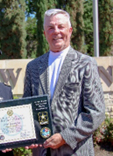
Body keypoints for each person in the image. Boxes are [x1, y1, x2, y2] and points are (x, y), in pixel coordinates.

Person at [23, 9, 105, 156]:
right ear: (44, 33)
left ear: (70, 30)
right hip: (42, 151)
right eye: (50, 28)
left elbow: (96, 112)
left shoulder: (86, 63)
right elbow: (26, 107)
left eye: (61, 27)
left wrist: (65, 137)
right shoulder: (33, 67)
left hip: (75, 151)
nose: (56, 31)